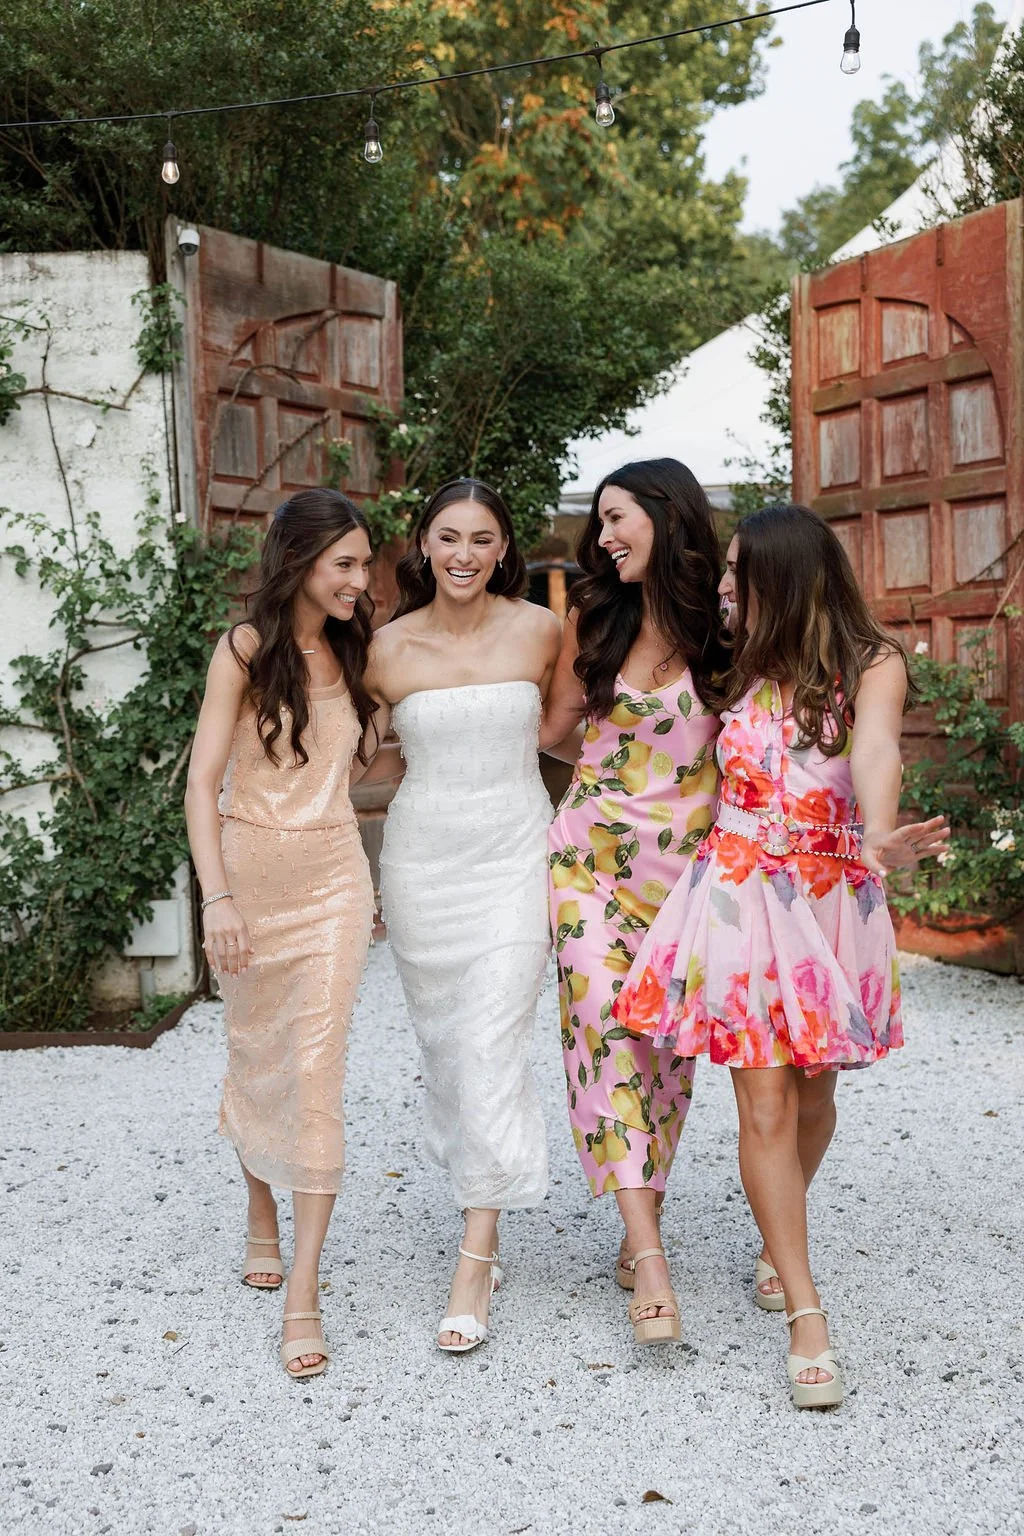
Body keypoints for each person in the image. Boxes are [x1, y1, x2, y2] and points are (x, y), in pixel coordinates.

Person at [613, 502, 949, 1405]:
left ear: (787, 577)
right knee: (762, 1103)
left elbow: (876, 749)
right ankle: (808, 1314)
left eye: (740, 571)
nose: (726, 585)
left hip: (832, 893)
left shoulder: (871, 662)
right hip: (738, 896)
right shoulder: (734, 660)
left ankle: (777, 1234)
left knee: (813, 1097)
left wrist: (880, 832)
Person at [184, 489, 377, 1380]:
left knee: (315, 1068)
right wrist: (215, 899)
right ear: (299, 561)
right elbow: (202, 783)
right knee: (258, 1050)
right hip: (250, 882)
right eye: (346, 563)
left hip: (335, 878)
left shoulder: (358, 648)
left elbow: (369, 753)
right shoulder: (244, 649)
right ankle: (258, 1207)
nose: (360, 579)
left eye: (364, 564)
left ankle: (304, 1289)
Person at [368, 477, 562, 1353]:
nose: (464, 554)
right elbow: (350, 752)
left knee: (489, 1049)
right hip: (423, 866)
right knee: (448, 1055)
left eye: (482, 539)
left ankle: (474, 1260)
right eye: (448, 537)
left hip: (516, 857)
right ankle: (480, 1186)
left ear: (504, 548)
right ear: (423, 544)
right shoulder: (384, 648)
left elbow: (577, 731)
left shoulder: (541, 630)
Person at [539, 458, 729, 1347]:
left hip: (686, 882)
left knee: (666, 1058)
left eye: (618, 518)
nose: (605, 536)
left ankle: (639, 1207)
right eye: (601, 521)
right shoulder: (593, 618)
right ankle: (649, 1257)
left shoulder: (723, 627)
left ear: (666, 513)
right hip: (587, 869)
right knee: (603, 1031)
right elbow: (551, 733)